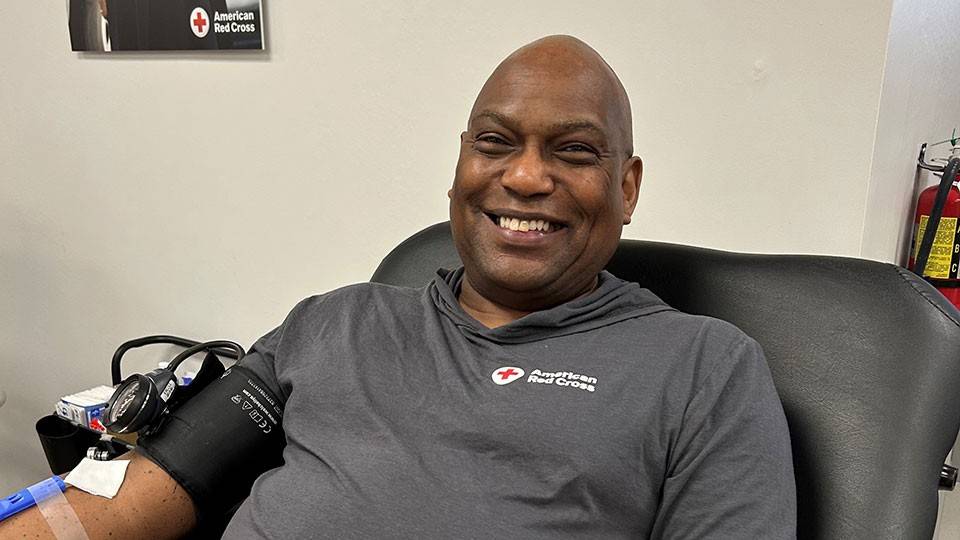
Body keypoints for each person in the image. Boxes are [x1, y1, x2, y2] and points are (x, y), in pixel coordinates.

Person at [1, 35, 795, 539]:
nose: (524, 175)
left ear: (627, 186)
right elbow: (147, 490)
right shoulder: (331, 323)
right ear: (459, 167)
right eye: (496, 143)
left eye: (574, 152)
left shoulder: (704, 369)